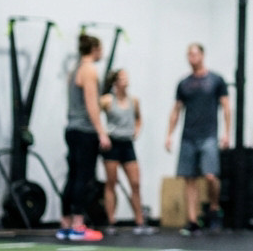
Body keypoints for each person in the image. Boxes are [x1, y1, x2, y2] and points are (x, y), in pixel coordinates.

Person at [164, 43, 231, 234]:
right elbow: (176, 110)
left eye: (194, 54)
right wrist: (169, 135)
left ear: (202, 55)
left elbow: (226, 107)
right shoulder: (184, 83)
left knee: (210, 176)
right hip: (188, 137)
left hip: (209, 135)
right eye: (188, 54)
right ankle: (193, 221)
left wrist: (227, 133)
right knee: (189, 179)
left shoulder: (216, 80)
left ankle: (214, 207)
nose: (191, 57)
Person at [58, 34, 110, 242]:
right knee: (84, 177)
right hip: (85, 131)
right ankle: (79, 225)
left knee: (73, 175)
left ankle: (65, 225)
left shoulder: (75, 69)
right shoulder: (89, 70)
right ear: (95, 49)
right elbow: (91, 105)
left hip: (72, 129)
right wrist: (102, 132)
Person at [99, 69, 154, 235]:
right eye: (121, 78)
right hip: (112, 144)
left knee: (135, 183)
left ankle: (139, 221)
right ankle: (111, 222)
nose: (125, 80)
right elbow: (94, 116)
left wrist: (136, 130)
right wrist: (103, 135)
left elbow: (138, 117)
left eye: (126, 77)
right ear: (115, 82)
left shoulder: (134, 100)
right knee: (111, 183)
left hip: (127, 144)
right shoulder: (107, 100)